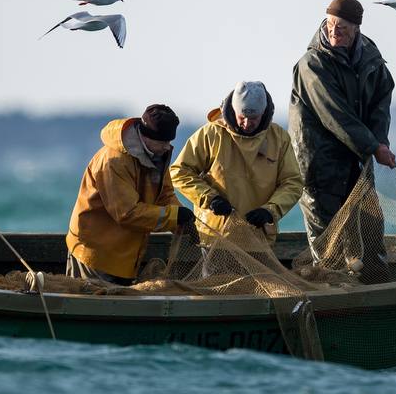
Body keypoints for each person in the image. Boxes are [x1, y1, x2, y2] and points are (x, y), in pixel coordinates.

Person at [289, 0, 396, 260]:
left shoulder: (370, 56)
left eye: (342, 27)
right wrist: (373, 147)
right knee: (329, 246)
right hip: (319, 167)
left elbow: (382, 99)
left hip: (356, 162)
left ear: (356, 28)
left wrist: (380, 141)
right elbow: (335, 114)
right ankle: (330, 282)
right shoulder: (312, 64)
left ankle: (372, 280)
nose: (333, 31)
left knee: (369, 234)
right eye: (330, 25)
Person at [65, 104, 195, 285]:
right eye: (163, 142)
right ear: (146, 137)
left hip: (125, 256)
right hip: (96, 254)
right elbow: (127, 213)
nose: (167, 147)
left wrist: (182, 221)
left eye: (169, 142)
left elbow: (164, 195)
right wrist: (173, 216)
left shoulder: (157, 154)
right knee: (95, 301)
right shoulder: (113, 161)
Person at [170, 81, 303, 245]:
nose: (247, 123)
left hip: (259, 237)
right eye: (242, 117)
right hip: (214, 237)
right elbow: (179, 172)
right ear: (233, 110)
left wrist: (270, 211)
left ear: (264, 113)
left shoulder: (279, 138)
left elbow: (293, 182)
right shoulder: (211, 133)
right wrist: (210, 199)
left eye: (253, 118)